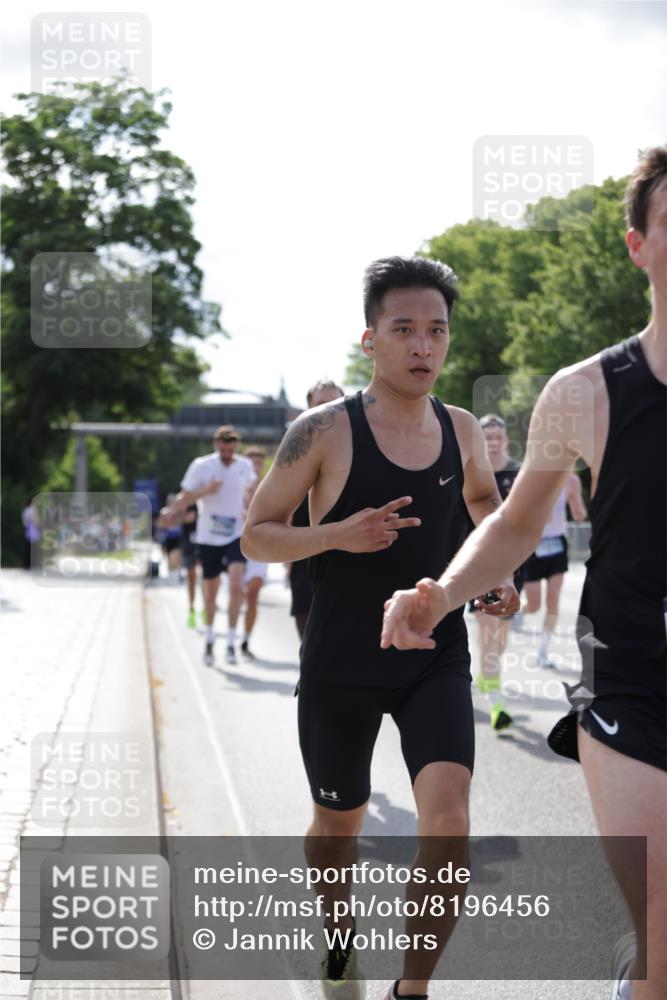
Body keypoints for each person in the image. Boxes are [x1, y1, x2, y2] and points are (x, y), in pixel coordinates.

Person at [381, 146, 667, 1000]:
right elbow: (513, 523)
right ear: (636, 246)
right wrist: (441, 594)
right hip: (632, 679)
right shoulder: (584, 393)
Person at [243, 255, 518, 1000]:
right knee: (338, 825)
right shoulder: (321, 431)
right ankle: (338, 936)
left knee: (449, 826)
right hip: (341, 662)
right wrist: (338, 534)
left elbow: (485, 506)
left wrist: (498, 572)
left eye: (437, 331)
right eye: (404, 330)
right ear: (370, 340)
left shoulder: (461, 428)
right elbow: (256, 536)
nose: (423, 346)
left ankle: (412, 989)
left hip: (434, 654)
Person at [172, 425, 256, 666]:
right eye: (223, 450)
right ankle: (209, 637)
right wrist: (206, 490)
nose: (228, 454)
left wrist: (250, 508)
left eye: (231, 450)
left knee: (237, 584)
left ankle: (230, 642)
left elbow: (251, 492)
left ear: (236, 447)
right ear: (216, 445)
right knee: (211, 590)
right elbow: (182, 499)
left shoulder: (244, 466)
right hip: (208, 536)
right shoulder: (202, 466)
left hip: (236, 533)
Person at [470, 413, 526, 732]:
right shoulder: (470, 471)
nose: (491, 442)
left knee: (500, 637)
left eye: (496, 437)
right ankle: (497, 705)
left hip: (516, 562)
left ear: (506, 440)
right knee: (489, 632)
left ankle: (487, 677)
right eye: (486, 437)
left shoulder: (520, 474)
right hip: (480, 563)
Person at [288, 380, 345, 639]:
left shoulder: (368, 447)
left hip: (354, 566)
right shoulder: (294, 452)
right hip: (306, 562)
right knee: (310, 643)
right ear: (308, 409)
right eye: (321, 404)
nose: (329, 410)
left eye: (336, 403)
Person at [522, 472, 587, 667]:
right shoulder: (530, 476)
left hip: (557, 544)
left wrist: (578, 512)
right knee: (534, 605)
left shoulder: (571, 480)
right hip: (533, 544)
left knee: (553, 597)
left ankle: (543, 650)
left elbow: (578, 510)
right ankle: (520, 613)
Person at [240, 446, 269, 659]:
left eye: (259, 463)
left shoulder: (270, 486)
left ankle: (245, 640)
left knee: (253, 595)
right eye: (251, 463)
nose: (255, 467)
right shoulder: (237, 485)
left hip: (259, 546)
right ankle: (232, 634)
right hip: (235, 545)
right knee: (237, 594)